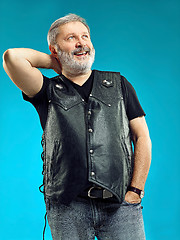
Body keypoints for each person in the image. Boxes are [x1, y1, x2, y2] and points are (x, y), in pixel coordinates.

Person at [3, 13, 151, 240]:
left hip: (119, 204)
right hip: (67, 207)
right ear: (55, 48)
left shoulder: (119, 84)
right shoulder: (46, 90)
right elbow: (12, 57)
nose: (81, 43)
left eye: (85, 36)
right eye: (71, 38)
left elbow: (142, 138)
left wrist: (136, 190)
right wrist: (53, 62)